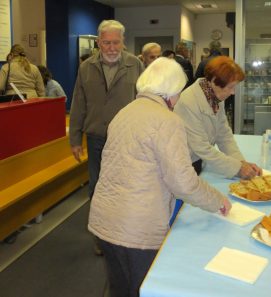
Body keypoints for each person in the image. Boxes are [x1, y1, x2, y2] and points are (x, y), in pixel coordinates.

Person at [88, 57, 231, 297]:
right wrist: (217, 200)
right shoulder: (167, 121)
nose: (178, 99)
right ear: (170, 91)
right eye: (178, 92)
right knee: (142, 289)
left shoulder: (124, 112)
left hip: (105, 220)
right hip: (136, 228)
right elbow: (182, 182)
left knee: (119, 289)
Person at [69, 19, 144, 200]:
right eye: (107, 43)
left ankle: (121, 222)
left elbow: (144, 102)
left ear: (123, 41)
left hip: (127, 138)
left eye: (116, 42)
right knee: (97, 183)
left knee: (125, 183)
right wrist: (75, 139)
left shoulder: (135, 65)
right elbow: (78, 104)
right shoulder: (86, 67)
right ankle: (97, 223)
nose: (112, 48)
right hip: (96, 137)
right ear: (98, 43)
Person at [174, 56, 261, 179]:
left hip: (200, 159)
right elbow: (201, 147)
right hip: (186, 164)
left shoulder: (215, 96)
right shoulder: (188, 102)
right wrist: (237, 168)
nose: (233, 92)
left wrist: (241, 162)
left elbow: (224, 134)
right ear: (214, 81)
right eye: (230, 87)